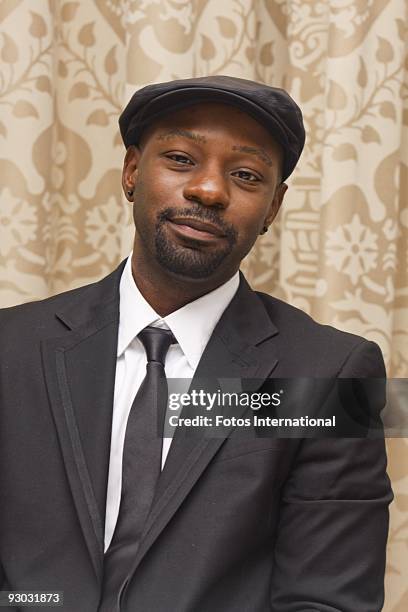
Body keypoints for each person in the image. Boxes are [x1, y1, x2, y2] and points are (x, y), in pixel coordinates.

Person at [0, 76, 392, 611]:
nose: (209, 190)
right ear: (132, 171)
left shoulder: (330, 373)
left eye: (246, 175)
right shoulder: (11, 350)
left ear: (274, 207)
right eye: (182, 159)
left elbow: (326, 600)